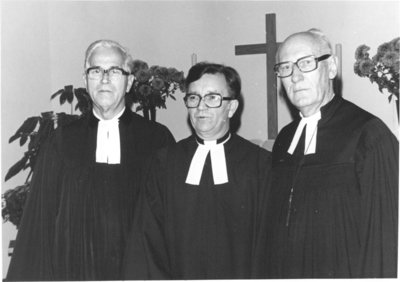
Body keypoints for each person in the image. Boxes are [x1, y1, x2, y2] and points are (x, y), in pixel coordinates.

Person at [6, 39, 175, 281]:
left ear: (129, 82)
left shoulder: (157, 140)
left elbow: (171, 224)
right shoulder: (60, 141)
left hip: (139, 272)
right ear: (86, 81)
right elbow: (39, 224)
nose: (104, 79)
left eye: (114, 71)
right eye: (96, 71)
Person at [254, 29, 398, 278]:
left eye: (306, 63)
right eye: (285, 68)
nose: (295, 77)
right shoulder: (285, 138)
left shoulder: (368, 135)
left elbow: (382, 241)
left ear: (331, 67)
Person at [123, 62, 271, 279]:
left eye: (212, 97)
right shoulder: (164, 163)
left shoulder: (259, 164)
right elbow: (147, 241)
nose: (201, 107)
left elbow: (266, 246)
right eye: (194, 98)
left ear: (231, 107)